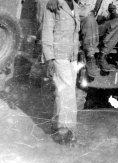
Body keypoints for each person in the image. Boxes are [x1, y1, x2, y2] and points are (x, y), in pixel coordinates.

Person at [47, 0, 118, 77]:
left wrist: (114, 13)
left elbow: (116, 12)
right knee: (90, 19)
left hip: (98, 27)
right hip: (81, 26)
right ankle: (90, 58)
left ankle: (102, 56)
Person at [42, 0, 80, 144]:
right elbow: (47, 32)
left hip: (72, 57)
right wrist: (49, 58)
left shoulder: (76, 6)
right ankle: (65, 131)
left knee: (63, 92)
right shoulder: (53, 4)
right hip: (59, 55)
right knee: (67, 91)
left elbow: (75, 34)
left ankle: (55, 125)